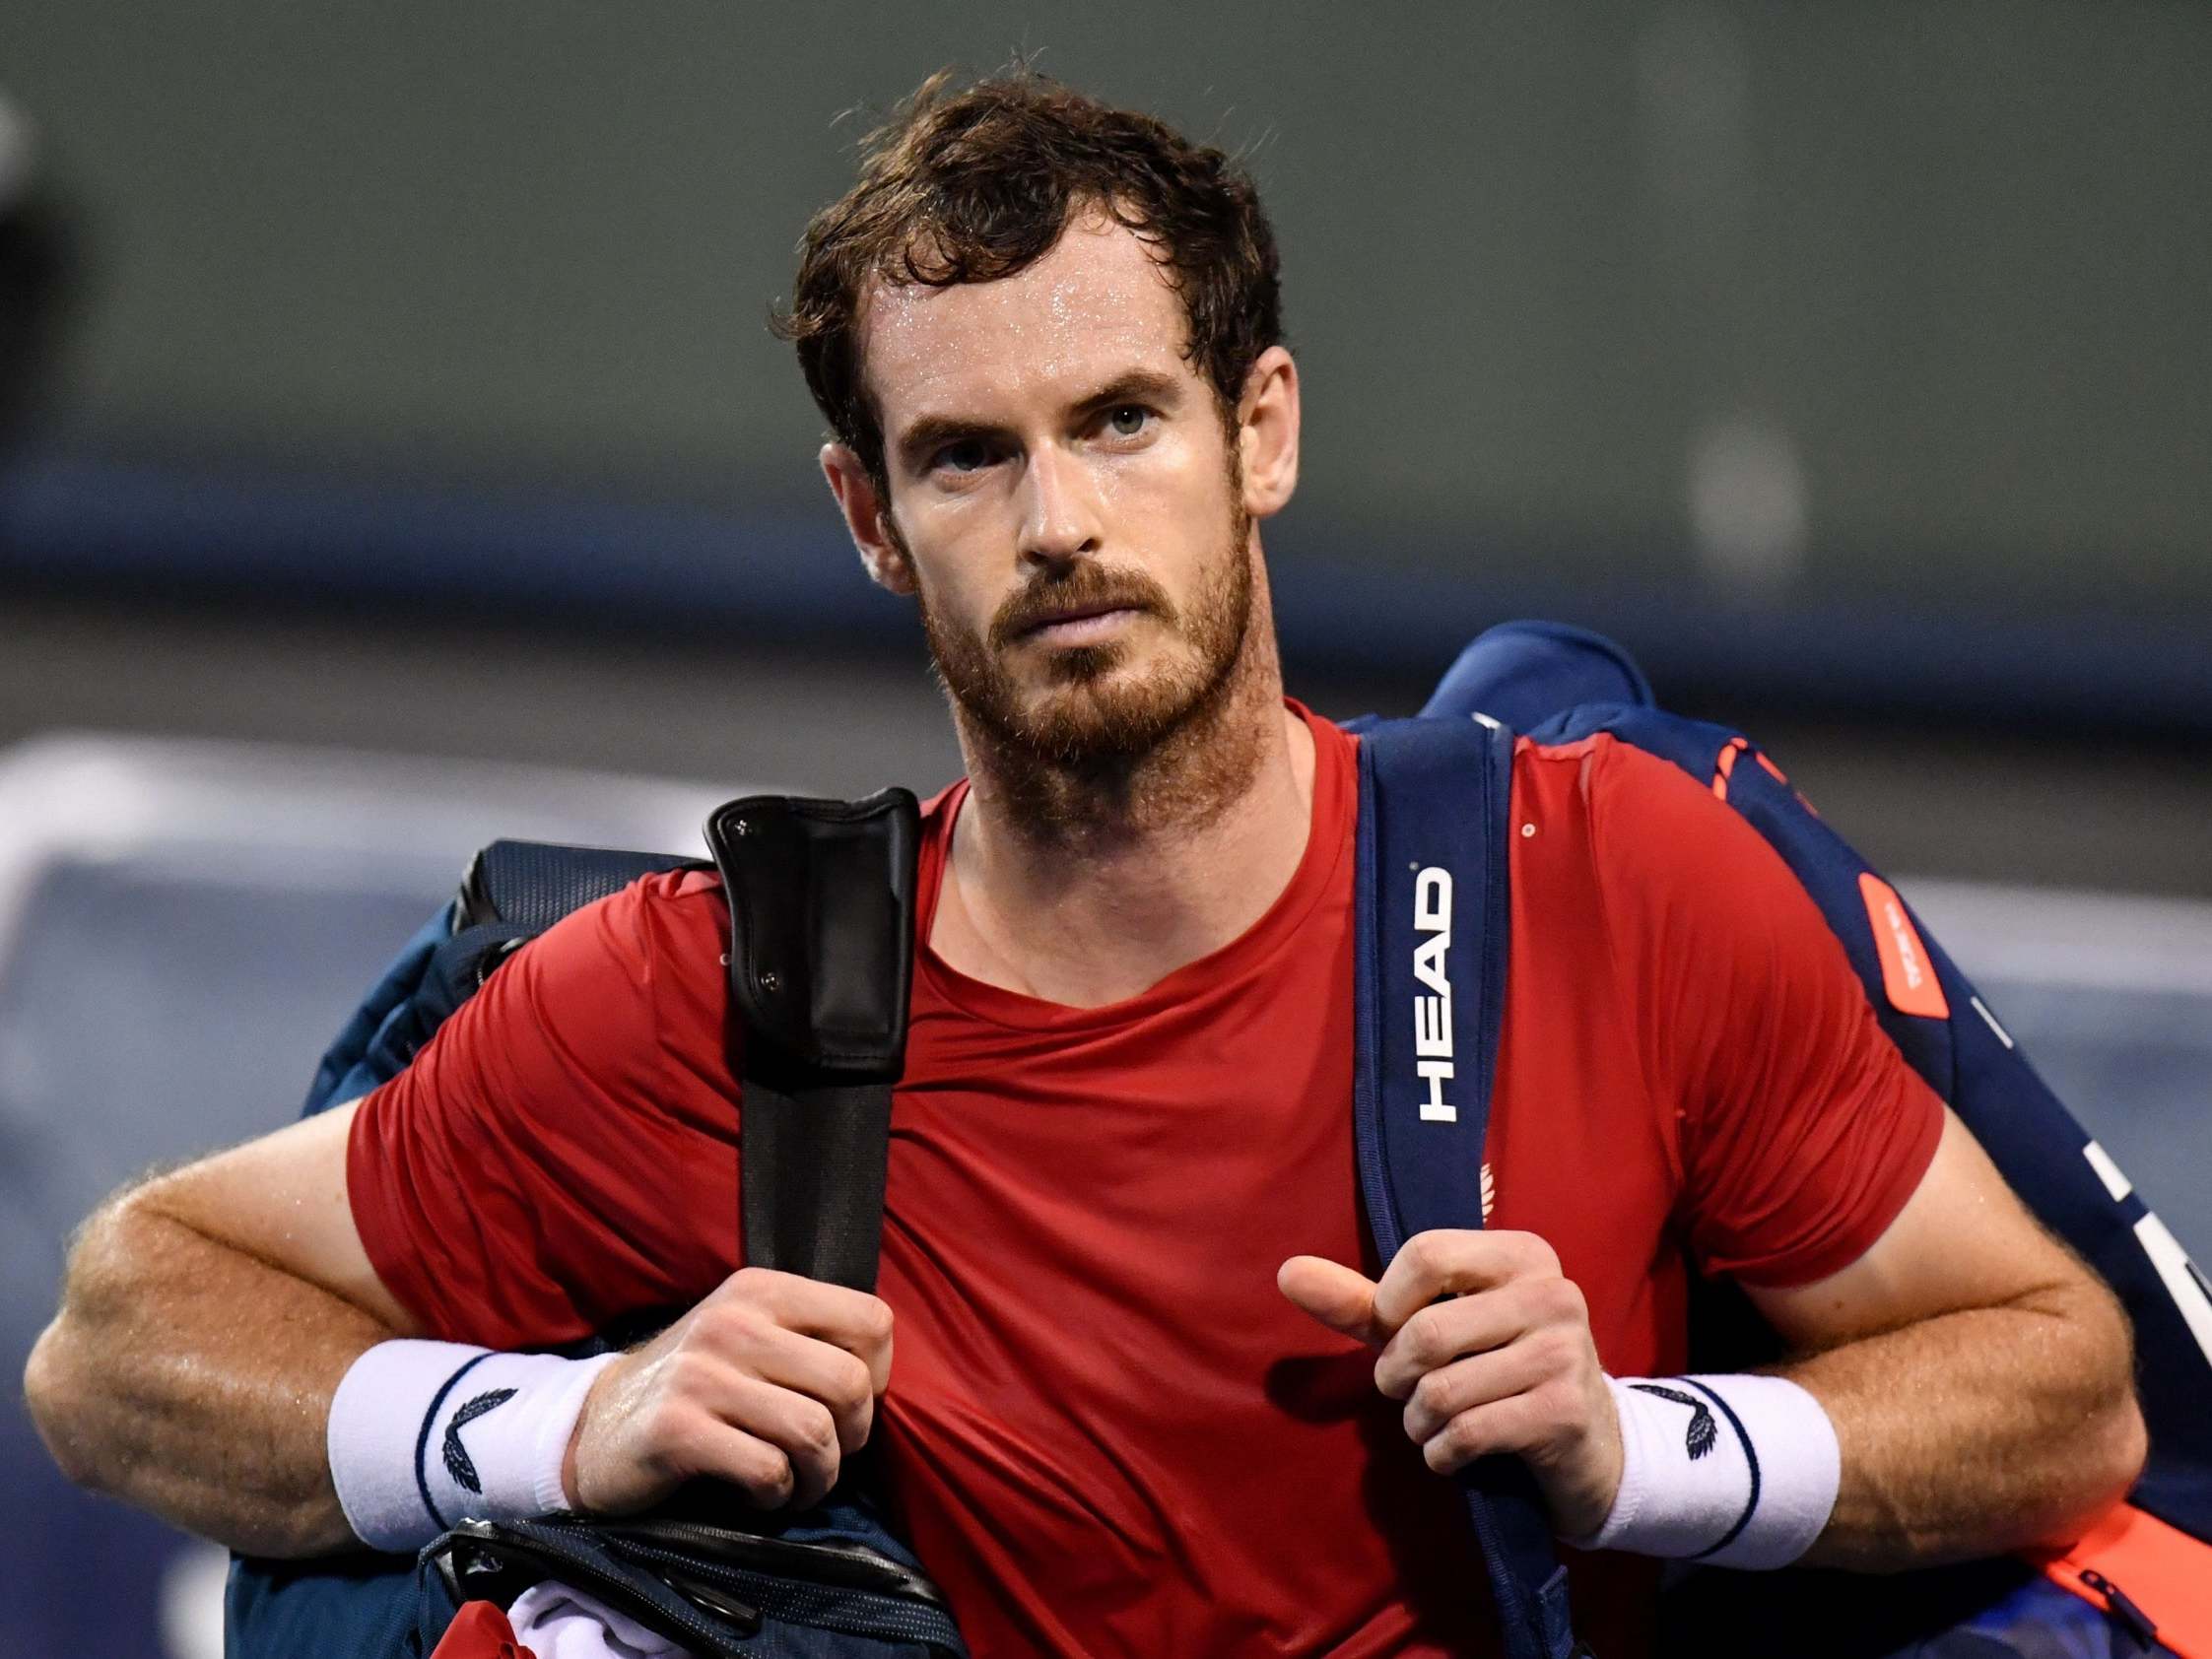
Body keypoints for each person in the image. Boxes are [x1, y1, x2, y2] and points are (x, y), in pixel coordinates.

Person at [25, 70, 2144, 1659]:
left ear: (1264, 432)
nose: (1056, 518)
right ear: (870, 516)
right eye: (967, 453)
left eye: (1120, 418)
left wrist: (1638, 1443)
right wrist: (565, 1424)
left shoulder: (1603, 882)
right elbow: (118, 1338)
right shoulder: (732, 999)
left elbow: (2062, 1390)